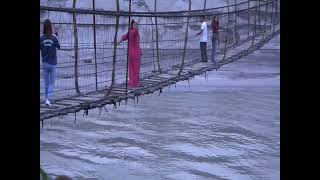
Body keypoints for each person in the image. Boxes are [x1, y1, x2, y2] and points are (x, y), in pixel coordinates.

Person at [40, 19, 60, 106]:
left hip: (44, 62)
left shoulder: (41, 38)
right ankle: (48, 100)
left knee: (46, 82)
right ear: (51, 27)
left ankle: (47, 99)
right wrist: (56, 36)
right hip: (53, 63)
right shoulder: (54, 37)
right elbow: (58, 46)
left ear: (44, 27)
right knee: (52, 82)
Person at [118, 19, 142, 88]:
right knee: (136, 69)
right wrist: (136, 29)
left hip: (130, 54)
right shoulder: (135, 32)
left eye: (136, 25)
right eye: (135, 25)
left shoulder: (129, 32)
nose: (136, 26)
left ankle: (131, 83)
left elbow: (124, 37)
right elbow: (136, 32)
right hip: (136, 54)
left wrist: (118, 41)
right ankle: (135, 84)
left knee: (131, 69)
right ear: (132, 26)